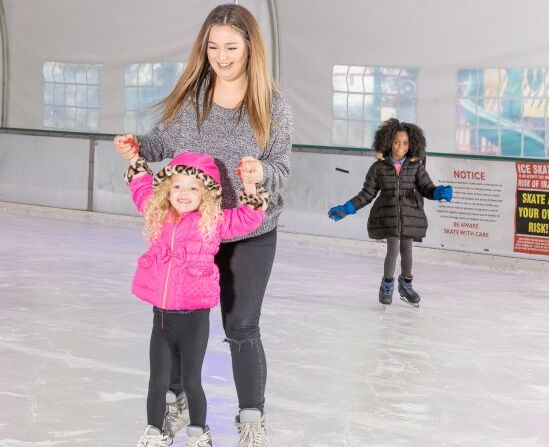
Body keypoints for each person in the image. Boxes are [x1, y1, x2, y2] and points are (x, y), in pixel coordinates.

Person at [114, 4, 291, 445]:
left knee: (241, 327)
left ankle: (251, 419)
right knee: (176, 319)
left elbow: (282, 168)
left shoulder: (271, 105)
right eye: (213, 47)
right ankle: (175, 405)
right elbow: (163, 141)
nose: (222, 56)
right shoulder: (194, 97)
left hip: (249, 232)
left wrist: (259, 173)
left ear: (251, 47)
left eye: (231, 47)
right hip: (194, 230)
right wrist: (138, 144)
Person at [125, 150, 268, 447]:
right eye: (177, 186)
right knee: (157, 382)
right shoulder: (159, 214)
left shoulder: (212, 221)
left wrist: (250, 186)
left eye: (193, 187)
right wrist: (134, 159)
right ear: (166, 189)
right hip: (161, 317)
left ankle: (198, 433)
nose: (184, 193)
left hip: (194, 319)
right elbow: (140, 189)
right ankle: (154, 432)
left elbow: (248, 218)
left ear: (206, 192)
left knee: (191, 382)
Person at [328, 118, 453, 307]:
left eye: (405, 143)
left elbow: (426, 187)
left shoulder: (416, 166)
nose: (400, 147)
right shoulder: (378, 167)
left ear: (412, 144)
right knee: (393, 250)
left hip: (410, 215)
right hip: (387, 215)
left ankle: (406, 284)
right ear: (387, 142)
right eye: (396, 142)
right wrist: (348, 208)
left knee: (407, 252)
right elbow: (367, 193)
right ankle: (387, 284)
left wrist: (438, 192)